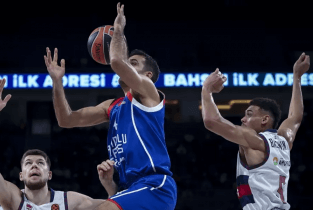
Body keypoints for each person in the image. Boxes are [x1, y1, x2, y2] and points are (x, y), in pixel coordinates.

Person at [44, 3, 177, 210]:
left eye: (133, 63)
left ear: (147, 75)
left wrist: (118, 30)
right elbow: (66, 120)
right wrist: (57, 82)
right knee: (81, 206)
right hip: (130, 189)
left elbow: (116, 61)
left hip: (155, 186)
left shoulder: (149, 92)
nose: (126, 64)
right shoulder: (113, 107)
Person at [0, 78, 108, 210]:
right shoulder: (13, 199)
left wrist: (110, 186)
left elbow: (112, 207)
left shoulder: (69, 201)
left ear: (49, 174)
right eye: (28, 163)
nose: (34, 165)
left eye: (40, 163)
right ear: (21, 175)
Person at [201, 53, 310, 209]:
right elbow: (295, 117)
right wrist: (297, 77)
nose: (243, 120)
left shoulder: (253, 141)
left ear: (264, 120)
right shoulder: (284, 140)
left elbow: (211, 121)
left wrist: (206, 90)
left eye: (249, 114)